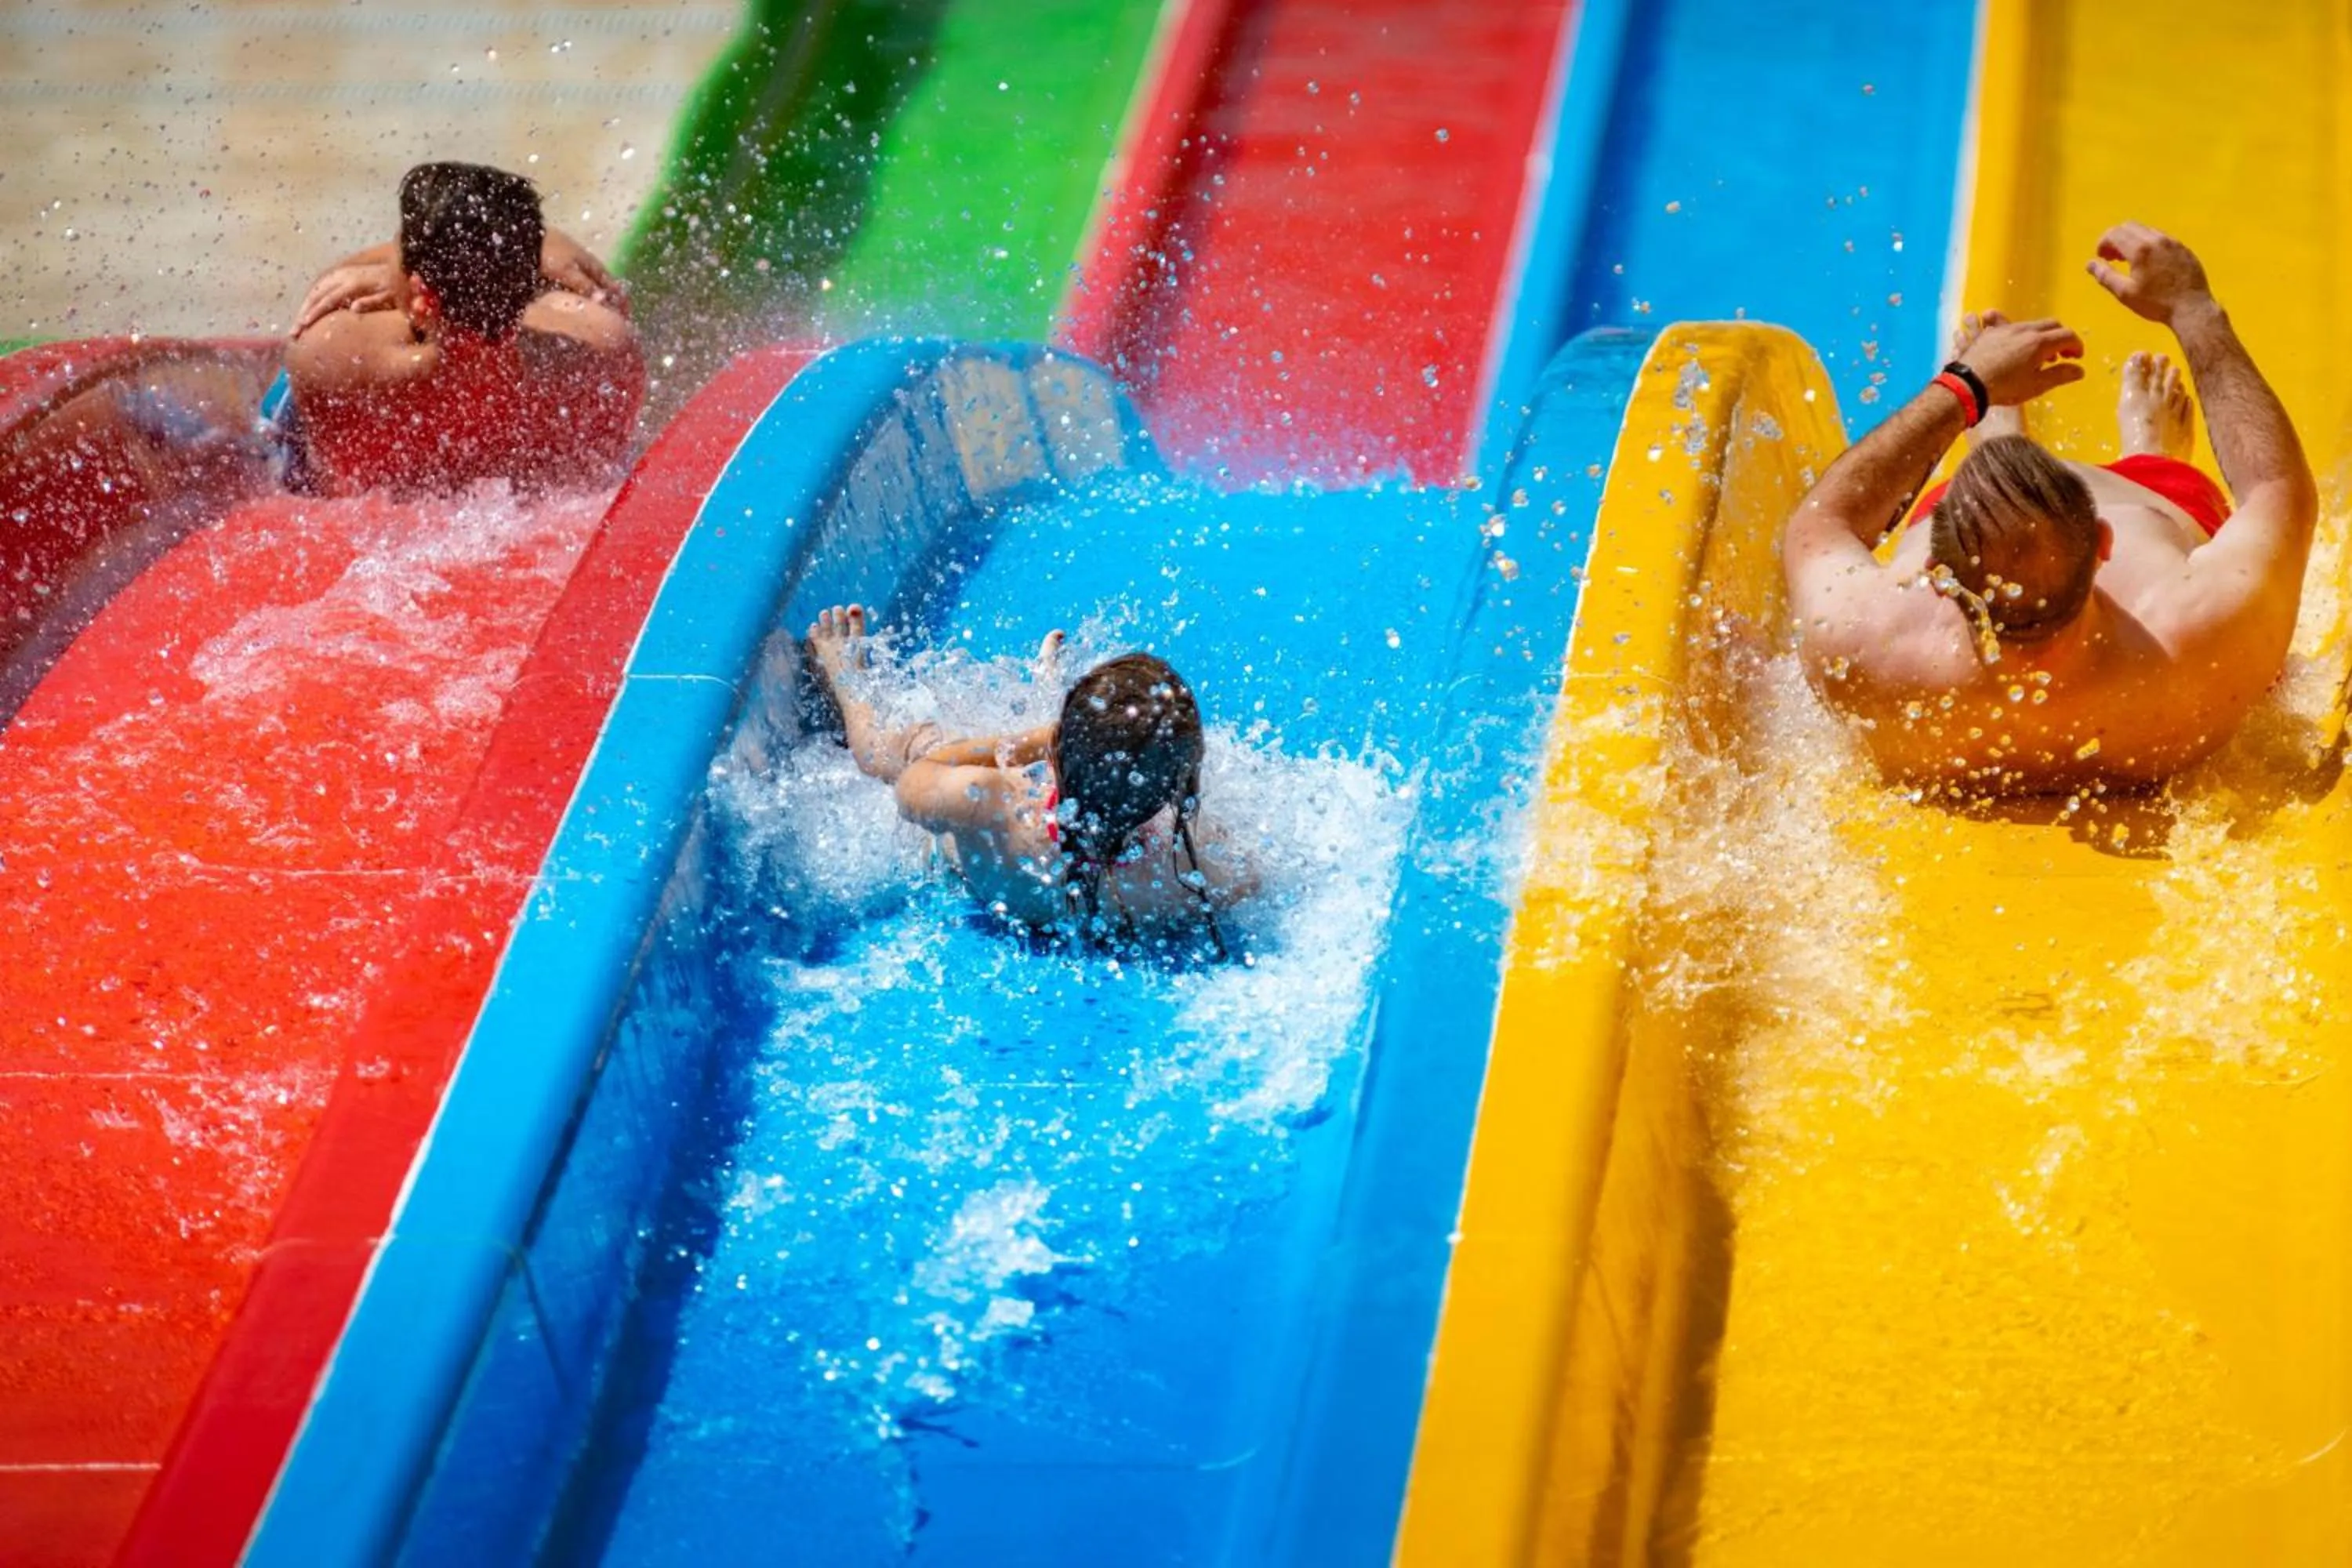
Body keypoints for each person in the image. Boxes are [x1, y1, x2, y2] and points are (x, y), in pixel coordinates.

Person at [1782, 222, 2318, 790]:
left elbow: (1822, 518)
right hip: (2154, 514)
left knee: (1994, 501)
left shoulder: (1866, 646)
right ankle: (2150, 457)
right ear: (2104, 548)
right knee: (2166, 502)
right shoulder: (2198, 632)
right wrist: (2193, 308)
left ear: (1938, 577)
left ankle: (1991, 431)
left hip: (1950, 644)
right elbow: (2277, 490)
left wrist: (1964, 388)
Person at [803, 604, 1252, 954]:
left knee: (902, 748)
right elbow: (1251, 883)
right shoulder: (1193, 875)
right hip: (1086, 802)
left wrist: (1039, 740)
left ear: (1057, 744)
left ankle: (844, 676)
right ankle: (1055, 695)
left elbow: (912, 786)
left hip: (963, 870)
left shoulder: (992, 804)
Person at [282, 162, 644, 495]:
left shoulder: (332, 359)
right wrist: (535, 245)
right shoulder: (603, 350)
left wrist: (390, 277)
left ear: (421, 295)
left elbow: (328, 290)